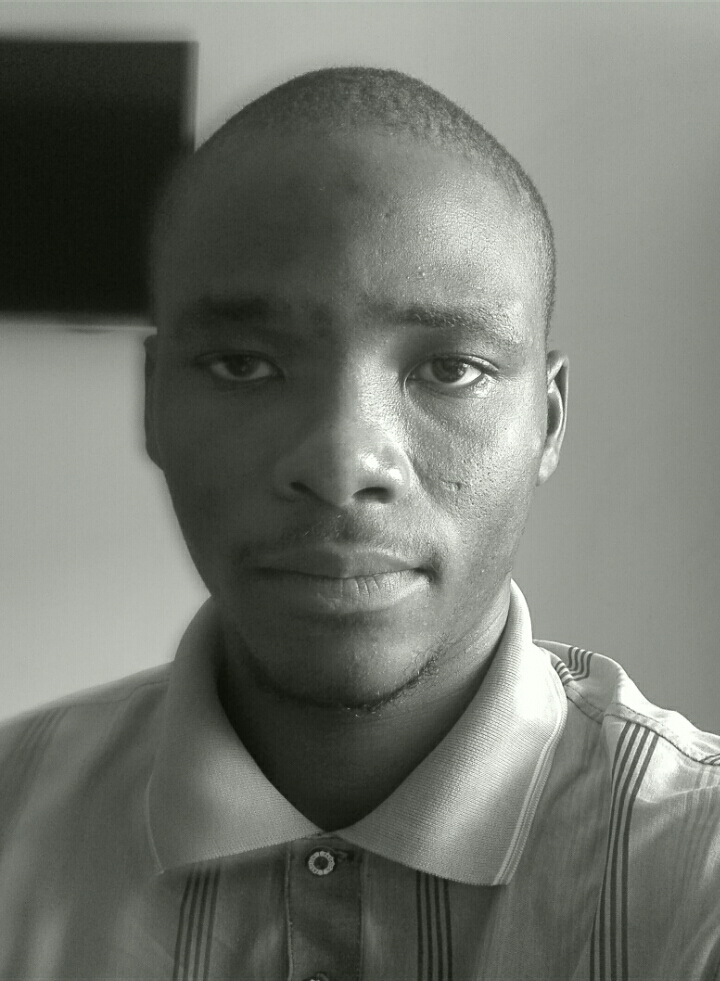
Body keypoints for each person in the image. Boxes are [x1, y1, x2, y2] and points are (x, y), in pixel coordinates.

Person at [1, 66, 718, 981]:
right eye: (242, 364)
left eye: (450, 368)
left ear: (548, 421)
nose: (342, 464)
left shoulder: (698, 863)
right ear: (151, 404)